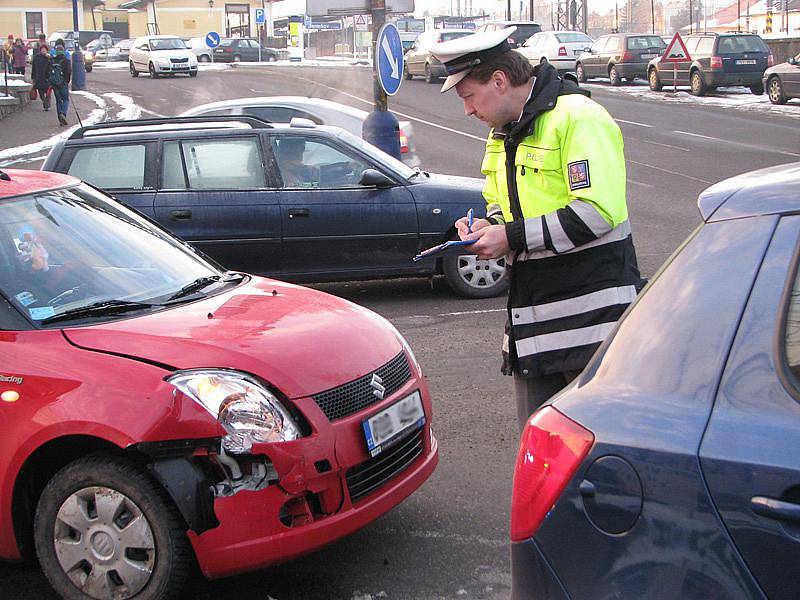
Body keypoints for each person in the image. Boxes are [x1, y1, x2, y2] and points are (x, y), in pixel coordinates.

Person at [431, 28, 643, 432]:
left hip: (591, 329)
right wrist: (486, 227)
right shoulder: (504, 132)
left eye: (468, 96)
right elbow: (501, 204)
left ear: (499, 81)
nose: (468, 111)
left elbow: (596, 214)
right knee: (542, 453)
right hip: (535, 328)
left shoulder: (578, 119)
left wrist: (508, 238)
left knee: (595, 453)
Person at [50, 41, 72, 126]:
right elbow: (68, 72)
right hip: (63, 82)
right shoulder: (66, 60)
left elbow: (48, 71)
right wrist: (67, 81)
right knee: (65, 99)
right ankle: (63, 113)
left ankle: (60, 117)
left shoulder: (53, 60)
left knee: (58, 100)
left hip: (55, 83)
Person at [31, 43, 52, 111]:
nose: (43, 51)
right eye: (42, 49)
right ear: (40, 50)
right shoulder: (36, 57)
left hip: (47, 78)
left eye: (45, 50)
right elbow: (33, 68)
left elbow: (52, 66)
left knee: (48, 93)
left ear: (47, 50)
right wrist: (33, 77)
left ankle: (47, 105)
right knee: (41, 93)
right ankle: (44, 102)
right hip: (39, 78)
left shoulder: (49, 57)